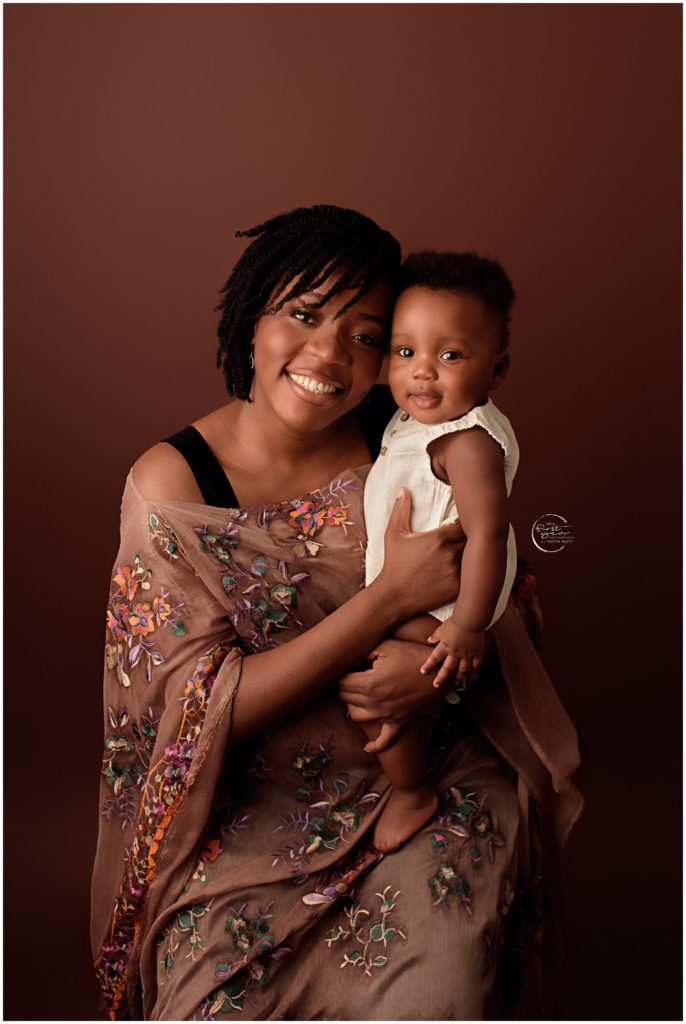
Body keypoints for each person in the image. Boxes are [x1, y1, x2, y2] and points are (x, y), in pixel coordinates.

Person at [91, 205, 582, 1021]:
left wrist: (433, 673)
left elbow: (514, 584)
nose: (329, 354)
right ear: (252, 318)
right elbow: (192, 714)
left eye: (365, 334)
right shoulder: (175, 486)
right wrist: (387, 602)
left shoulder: (410, 430)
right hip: (251, 818)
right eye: (304, 315)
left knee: (433, 996)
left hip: (432, 774)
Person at [360, 251, 520, 854]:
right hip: (409, 593)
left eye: (449, 355)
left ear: (496, 368)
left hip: (446, 609)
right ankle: (410, 757)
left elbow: (488, 535)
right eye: (405, 353)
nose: (423, 372)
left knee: (374, 682)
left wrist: (470, 628)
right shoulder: (410, 424)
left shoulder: (468, 442)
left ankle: (411, 792)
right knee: (380, 684)